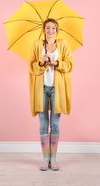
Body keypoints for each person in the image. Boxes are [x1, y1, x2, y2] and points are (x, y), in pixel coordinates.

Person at [29, 18, 74, 171]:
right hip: (41, 88)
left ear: (57, 30)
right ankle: (45, 158)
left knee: (54, 124)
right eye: (47, 28)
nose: (50, 30)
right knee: (43, 124)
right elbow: (31, 67)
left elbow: (70, 65)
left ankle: (53, 159)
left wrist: (55, 63)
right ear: (44, 30)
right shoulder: (37, 45)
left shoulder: (63, 44)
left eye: (53, 28)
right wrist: (42, 63)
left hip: (57, 89)